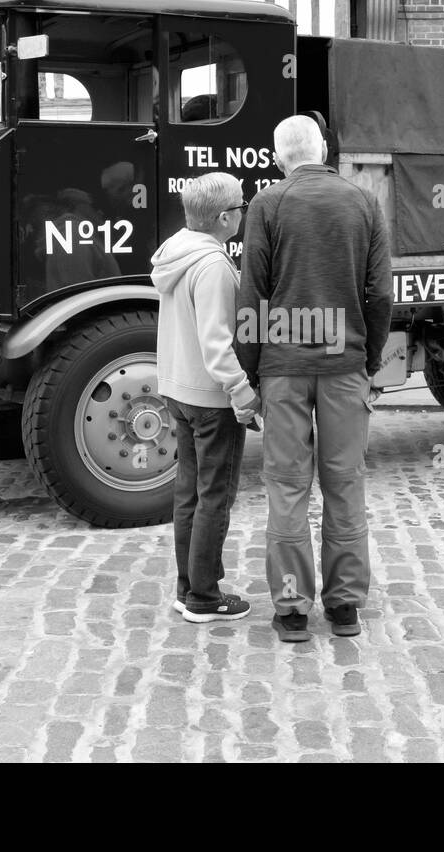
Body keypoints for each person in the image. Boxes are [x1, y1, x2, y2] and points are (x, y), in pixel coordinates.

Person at [236, 115, 393, 642]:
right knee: (345, 482)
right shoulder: (364, 202)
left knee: (286, 486)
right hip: (344, 364)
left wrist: (251, 366)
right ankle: (345, 605)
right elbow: (380, 295)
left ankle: (292, 608)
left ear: (279, 157)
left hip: (282, 367)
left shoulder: (268, 204)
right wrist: (368, 360)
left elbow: (252, 292)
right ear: (323, 148)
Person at [151, 172, 260, 623]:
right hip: (211, 398)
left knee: (189, 494)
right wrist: (243, 393)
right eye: (240, 207)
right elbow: (217, 342)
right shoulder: (213, 265)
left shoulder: (177, 252)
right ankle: (203, 595)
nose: (242, 212)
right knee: (215, 495)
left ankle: (187, 586)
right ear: (223, 218)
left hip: (179, 389)